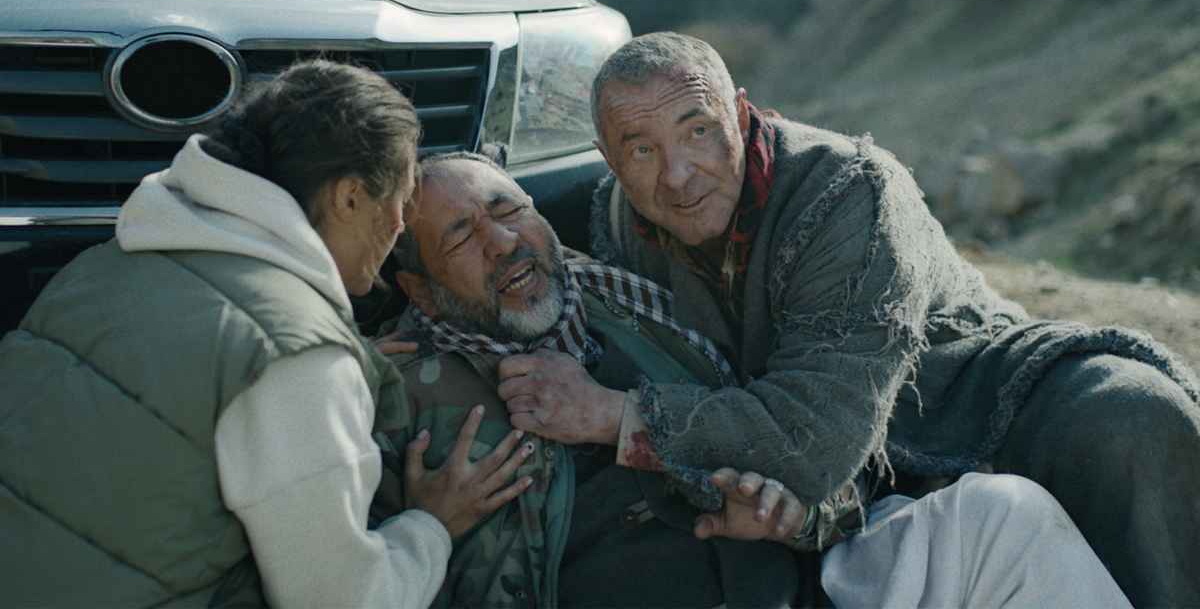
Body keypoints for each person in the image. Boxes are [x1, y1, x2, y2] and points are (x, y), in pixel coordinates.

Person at [557, 31, 1200, 609]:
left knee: (1133, 413)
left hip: (960, 390)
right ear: (609, 160)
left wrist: (617, 415)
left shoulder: (849, 191)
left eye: (698, 131)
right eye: (642, 149)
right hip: (809, 451)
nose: (677, 175)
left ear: (741, 114)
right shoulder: (619, 224)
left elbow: (815, 437)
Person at [377, 151, 1133, 609]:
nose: (503, 242)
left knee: (1002, 518)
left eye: (509, 209)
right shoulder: (404, 392)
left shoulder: (635, 303)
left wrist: (792, 515)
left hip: (811, 584)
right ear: (419, 291)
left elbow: (811, 450)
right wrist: (430, 530)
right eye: (461, 236)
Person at [0, 61, 530, 609]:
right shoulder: (295, 361)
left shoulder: (95, 271)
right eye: (401, 200)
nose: (399, 226)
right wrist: (430, 526)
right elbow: (342, 602)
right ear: (350, 197)